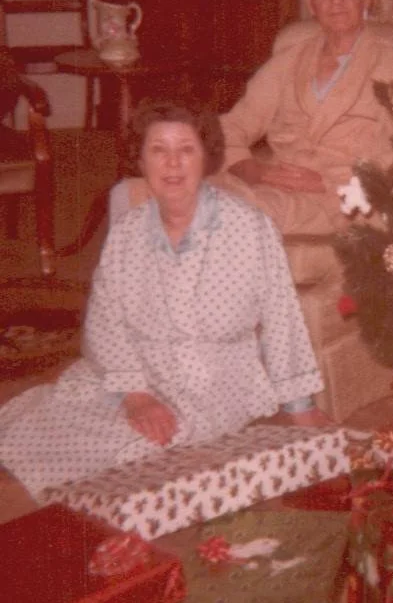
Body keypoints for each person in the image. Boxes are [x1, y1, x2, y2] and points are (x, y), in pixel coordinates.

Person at [0, 101, 327, 499]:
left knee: (139, 448)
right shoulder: (127, 232)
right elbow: (104, 319)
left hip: (211, 381)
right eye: (159, 150)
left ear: (206, 158)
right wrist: (136, 395)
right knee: (41, 416)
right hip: (139, 368)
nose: (173, 164)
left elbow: (282, 317)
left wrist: (300, 407)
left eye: (186, 150)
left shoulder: (249, 227)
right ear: (141, 161)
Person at [217, 0, 393, 237]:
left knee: (237, 216)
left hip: (343, 195)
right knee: (178, 195)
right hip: (276, 183)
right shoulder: (289, 59)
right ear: (312, 3)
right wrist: (252, 170)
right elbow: (231, 127)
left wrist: (337, 182)